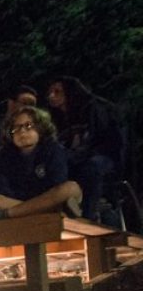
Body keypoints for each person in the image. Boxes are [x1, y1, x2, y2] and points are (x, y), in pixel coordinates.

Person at [0, 106, 82, 221]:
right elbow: (1, 190)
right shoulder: (7, 154)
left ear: (40, 128)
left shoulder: (53, 149)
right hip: (24, 203)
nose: (22, 131)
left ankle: (9, 214)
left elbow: (56, 185)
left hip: (46, 199)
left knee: (70, 188)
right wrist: (32, 207)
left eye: (28, 126)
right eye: (16, 128)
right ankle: (49, 213)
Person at [46, 76, 124, 222]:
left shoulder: (94, 108)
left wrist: (77, 155)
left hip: (103, 156)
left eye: (57, 92)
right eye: (50, 92)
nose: (51, 96)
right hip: (76, 157)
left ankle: (89, 216)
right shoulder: (56, 118)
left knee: (92, 167)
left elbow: (104, 140)